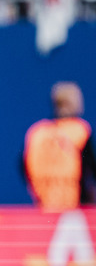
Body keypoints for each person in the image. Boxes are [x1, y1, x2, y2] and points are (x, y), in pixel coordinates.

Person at [23, 82, 96, 211]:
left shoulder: (37, 132)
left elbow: (24, 167)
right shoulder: (80, 130)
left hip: (44, 205)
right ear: (70, 103)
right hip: (76, 206)